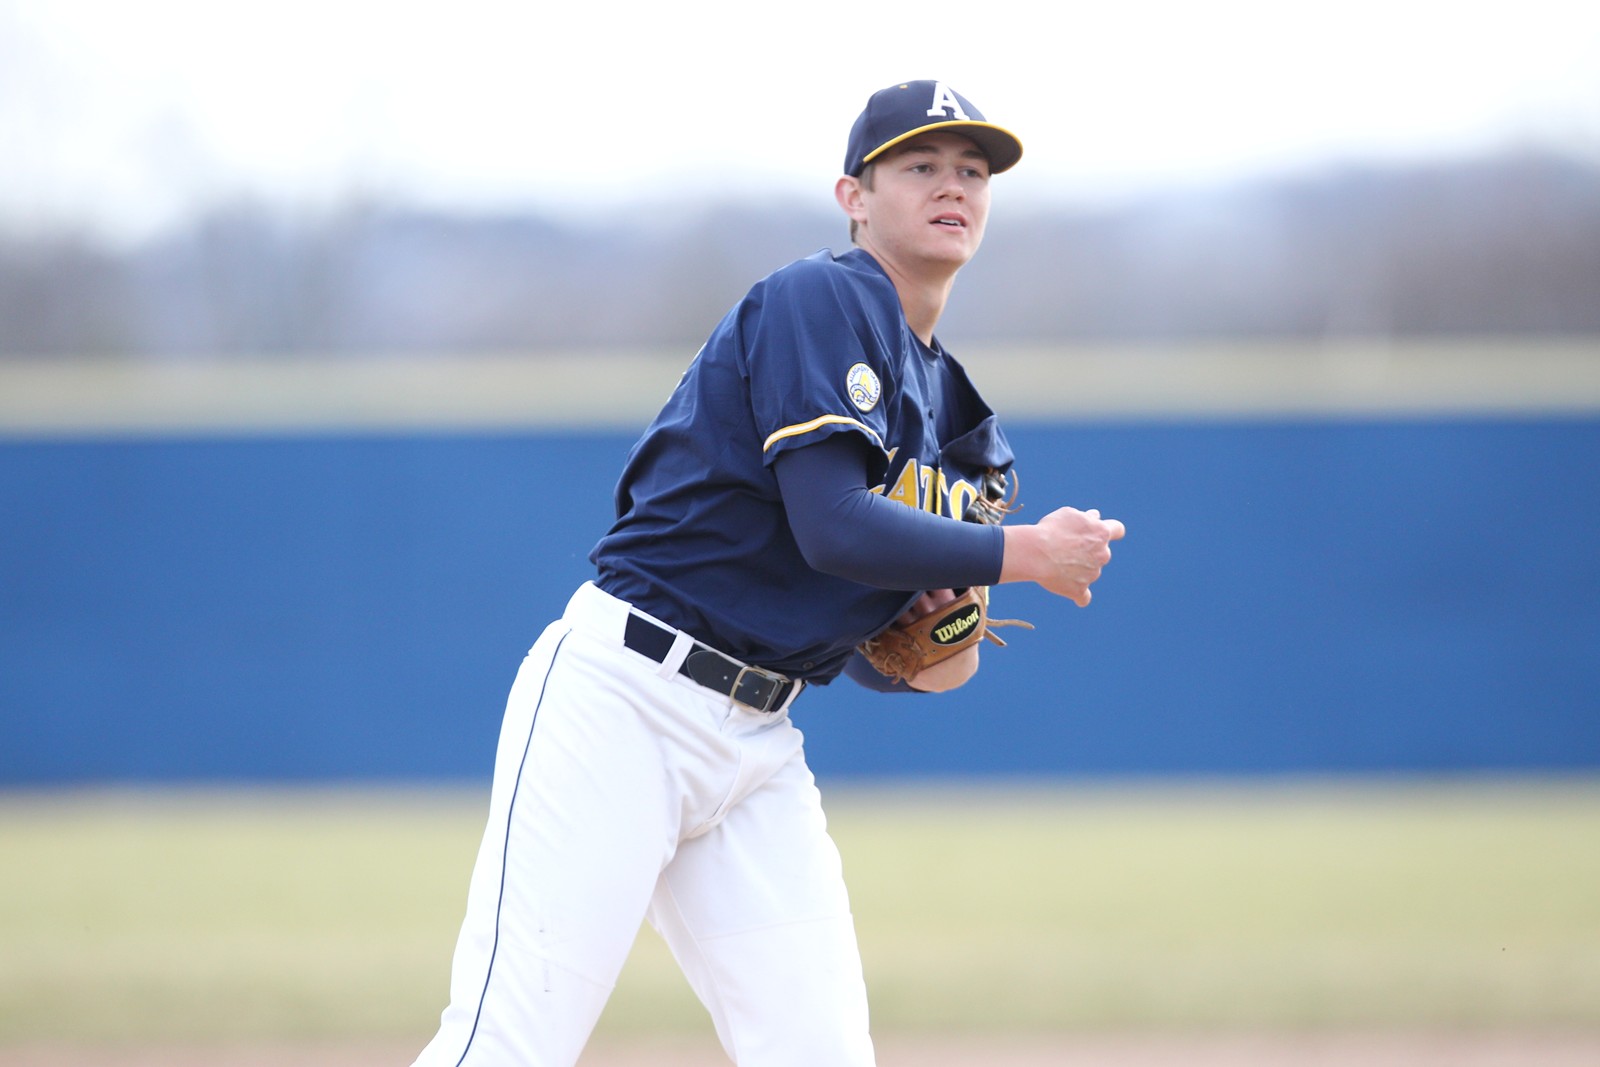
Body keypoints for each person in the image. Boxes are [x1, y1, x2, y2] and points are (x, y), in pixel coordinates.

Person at [411, 79, 1126, 1067]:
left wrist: (941, 630)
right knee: (509, 1040)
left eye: (971, 170)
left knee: (819, 1049)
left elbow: (890, 660)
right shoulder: (821, 298)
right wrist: (1026, 554)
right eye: (919, 165)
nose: (951, 185)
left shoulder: (964, 431)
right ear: (854, 196)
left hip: (758, 740)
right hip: (623, 699)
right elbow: (833, 525)